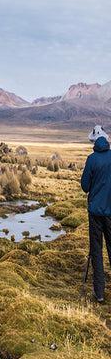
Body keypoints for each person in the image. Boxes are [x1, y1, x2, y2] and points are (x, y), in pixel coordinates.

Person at [80, 125, 111, 302]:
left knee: (97, 251)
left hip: (95, 213)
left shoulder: (91, 160)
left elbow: (85, 187)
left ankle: (99, 293)